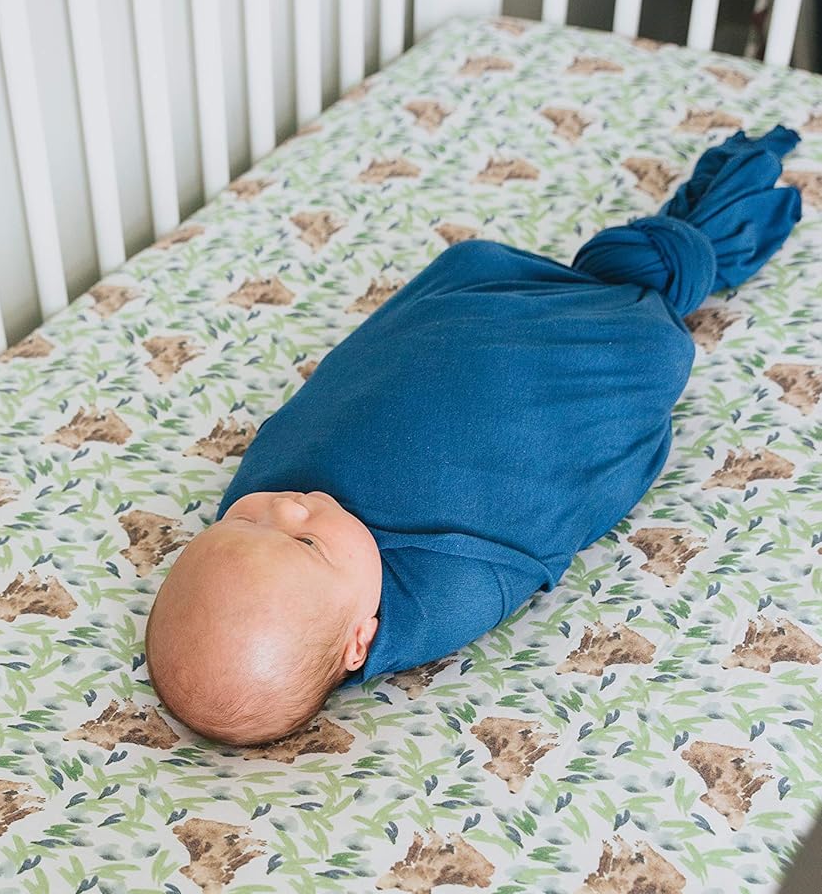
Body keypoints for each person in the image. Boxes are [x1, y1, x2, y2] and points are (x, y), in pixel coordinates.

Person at [145, 127, 802, 744]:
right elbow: (547, 511)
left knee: (465, 277)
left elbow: (332, 398)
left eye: (244, 520)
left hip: (455, 328)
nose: (285, 505)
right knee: (651, 351)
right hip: (550, 377)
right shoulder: (446, 595)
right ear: (358, 641)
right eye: (307, 541)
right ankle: (644, 287)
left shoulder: (279, 546)